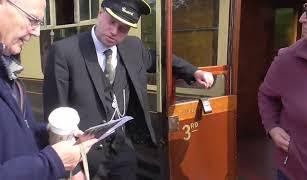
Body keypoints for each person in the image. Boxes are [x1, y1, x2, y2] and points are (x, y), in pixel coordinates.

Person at [43, 0, 214, 179]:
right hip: (84, 156)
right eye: (111, 22)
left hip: (123, 150)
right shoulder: (64, 52)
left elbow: (159, 59)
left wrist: (194, 71)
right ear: (100, 13)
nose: (115, 31)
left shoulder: (133, 47)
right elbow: (56, 115)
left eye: (124, 28)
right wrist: (72, 168)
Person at [0, 0, 97, 179]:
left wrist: (52, 133)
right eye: (32, 19)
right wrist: (52, 162)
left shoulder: (7, 71)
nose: (37, 32)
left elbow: (18, 135)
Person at [258, 0, 307, 179]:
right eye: (304, 10)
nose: (301, 19)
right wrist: (272, 127)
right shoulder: (288, 58)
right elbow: (266, 95)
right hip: (295, 172)